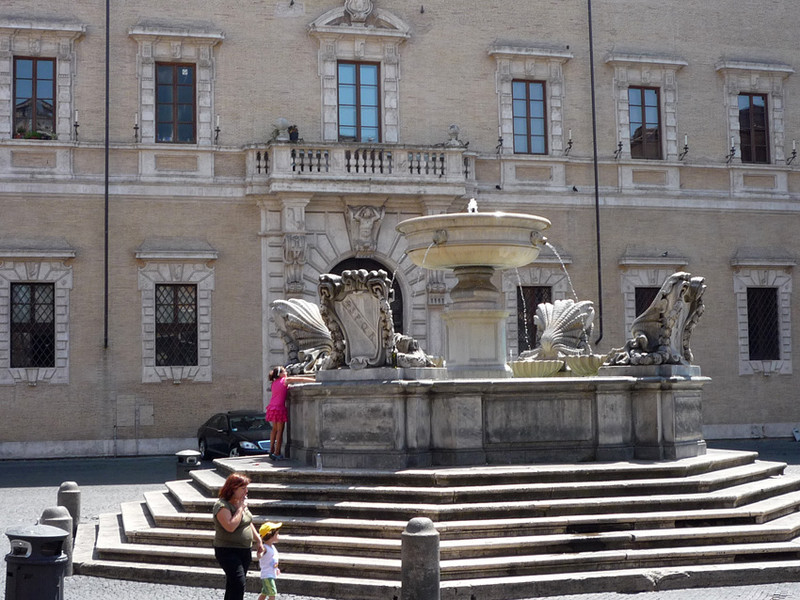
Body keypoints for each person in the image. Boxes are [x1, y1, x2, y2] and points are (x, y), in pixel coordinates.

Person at [213, 473, 264, 600]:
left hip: (244, 550)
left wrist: (258, 540)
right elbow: (230, 526)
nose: (246, 491)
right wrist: (240, 508)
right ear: (233, 488)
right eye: (243, 488)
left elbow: (247, 522)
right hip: (227, 550)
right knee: (238, 583)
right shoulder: (222, 506)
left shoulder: (241, 502)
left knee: (232, 584)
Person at [266, 366, 314, 460]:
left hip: (272, 406)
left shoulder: (273, 383)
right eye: (284, 371)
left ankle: (271, 449)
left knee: (274, 430)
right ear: (280, 374)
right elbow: (301, 379)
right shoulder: (285, 380)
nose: (286, 372)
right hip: (280, 407)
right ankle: (277, 452)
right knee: (280, 430)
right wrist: (314, 380)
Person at [257, 522, 282, 600]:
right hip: (267, 575)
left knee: (264, 593)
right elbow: (259, 555)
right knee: (272, 593)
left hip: (270, 574)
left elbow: (273, 560)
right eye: (277, 534)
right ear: (270, 536)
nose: (278, 536)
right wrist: (259, 553)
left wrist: (276, 568)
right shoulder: (265, 548)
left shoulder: (272, 547)